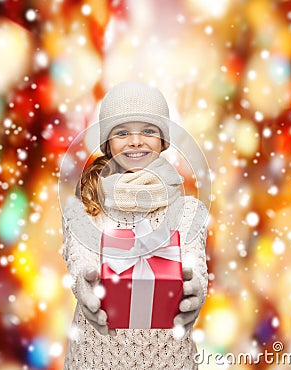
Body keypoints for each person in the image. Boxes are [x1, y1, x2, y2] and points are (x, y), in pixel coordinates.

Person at [62, 81, 208, 369]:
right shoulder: (83, 210)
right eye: (123, 132)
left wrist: (196, 287)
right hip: (96, 358)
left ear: (164, 141)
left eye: (149, 131)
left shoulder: (189, 211)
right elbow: (80, 260)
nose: (136, 141)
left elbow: (194, 262)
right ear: (107, 143)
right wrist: (84, 282)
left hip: (169, 359)